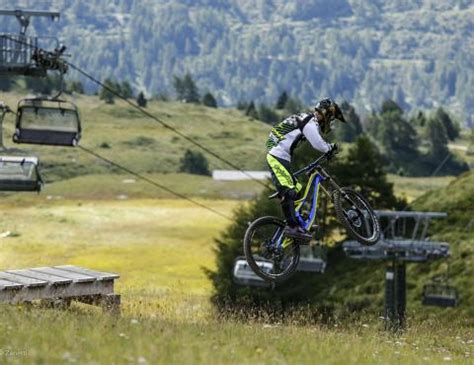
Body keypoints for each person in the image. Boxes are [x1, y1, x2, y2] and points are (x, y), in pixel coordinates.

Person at [266, 98, 346, 241]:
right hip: (277, 157)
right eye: (331, 118)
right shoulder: (310, 122)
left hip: (281, 157)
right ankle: (292, 227)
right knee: (289, 190)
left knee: (297, 188)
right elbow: (318, 144)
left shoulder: (304, 118)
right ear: (326, 114)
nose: (330, 122)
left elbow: (275, 133)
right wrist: (330, 147)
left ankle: (297, 222)